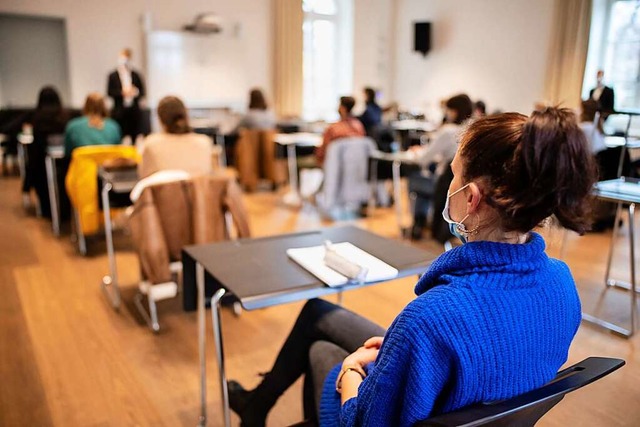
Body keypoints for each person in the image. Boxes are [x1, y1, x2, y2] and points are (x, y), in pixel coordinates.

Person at [227, 107, 597, 426]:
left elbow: (363, 421)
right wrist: (400, 349)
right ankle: (256, 408)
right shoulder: (562, 284)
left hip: (419, 379)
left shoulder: (431, 319)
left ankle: (256, 407)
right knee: (318, 314)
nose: (447, 182)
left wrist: (353, 370)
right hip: (469, 392)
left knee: (322, 352)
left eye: (453, 173)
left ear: (470, 198)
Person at [408, 93, 473, 240]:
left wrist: (417, 153)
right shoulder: (473, 129)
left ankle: (418, 222)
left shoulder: (449, 130)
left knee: (416, 179)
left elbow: (424, 159)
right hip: (465, 184)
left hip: (445, 182)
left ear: (454, 111)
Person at [138, 96, 212, 178]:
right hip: (198, 191)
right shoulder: (204, 143)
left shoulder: (151, 144)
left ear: (160, 119)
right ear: (185, 114)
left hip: (165, 191)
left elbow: (144, 179)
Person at [25, 86, 70, 218]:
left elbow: (36, 147)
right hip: (64, 163)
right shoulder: (65, 116)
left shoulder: (37, 118)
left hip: (42, 166)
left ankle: (46, 211)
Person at [64, 93, 121, 158]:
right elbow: (118, 154)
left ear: (85, 105)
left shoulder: (72, 126)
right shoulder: (113, 126)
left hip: (83, 167)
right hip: (107, 166)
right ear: (104, 106)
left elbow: (67, 155)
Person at [107, 48, 146, 144]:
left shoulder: (135, 75)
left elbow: (142, 91)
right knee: (119, 134)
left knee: (134, 136)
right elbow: (109, 92)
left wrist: (134, 91)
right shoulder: (113, 75)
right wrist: (122, 93)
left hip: (133, 110)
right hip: (119, 110)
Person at [315, 96, 366, 165]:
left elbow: (322, 152)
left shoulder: (333, 129)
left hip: (334, 165)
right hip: (354, 166)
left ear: (342, 108)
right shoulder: (359, 126)